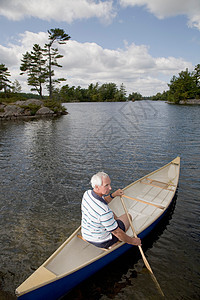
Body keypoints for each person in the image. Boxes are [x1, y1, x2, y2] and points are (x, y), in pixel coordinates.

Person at [81, 171, 141, 249]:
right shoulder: (104, 212)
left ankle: (112, 224)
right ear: (97, 187)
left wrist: (114, 194)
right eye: (106, 185)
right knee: (128, 216)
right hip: (103, 242)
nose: (110, 188)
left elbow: (104, 201)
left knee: (111, 214)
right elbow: (117, 233)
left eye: (109, 184)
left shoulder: (87, 194)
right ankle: (113, 244)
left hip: (86, 235)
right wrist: (133, 241)